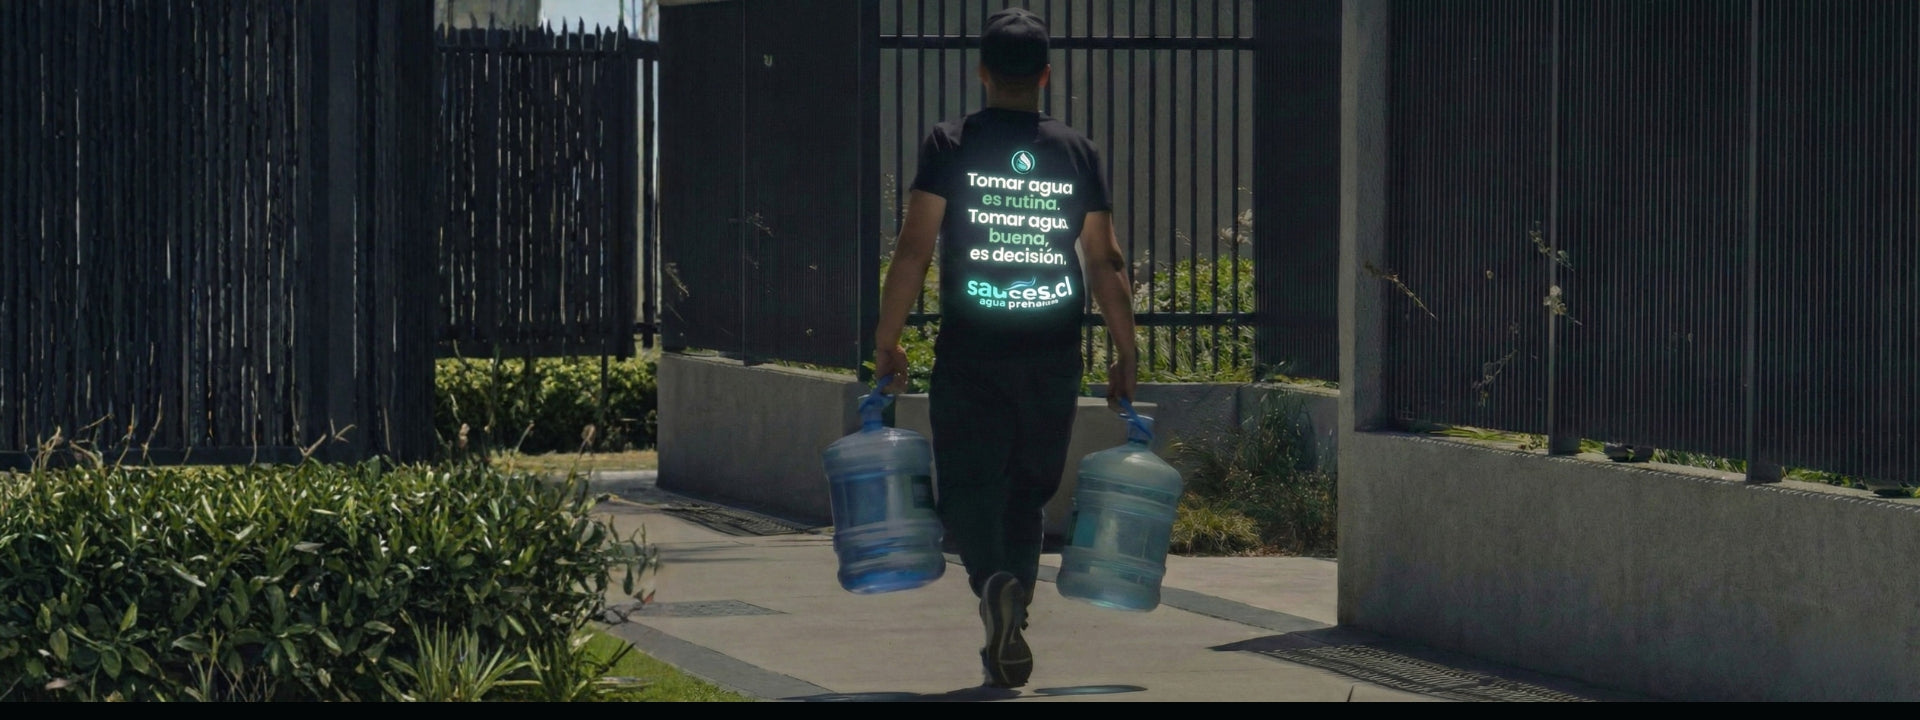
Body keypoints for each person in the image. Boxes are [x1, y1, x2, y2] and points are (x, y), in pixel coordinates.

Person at [870, 7, 1139, 690]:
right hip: (1052, 353)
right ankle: (1013, 607)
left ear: (983, 72)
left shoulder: (951, 142)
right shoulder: (1077, 151)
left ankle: (994, 583)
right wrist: (1125, 348)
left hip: (972, 349)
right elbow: (1104, 260)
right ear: (1045, 75)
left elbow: (915, 245)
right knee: (1028, 490)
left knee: (966, 486)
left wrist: (888, 335)